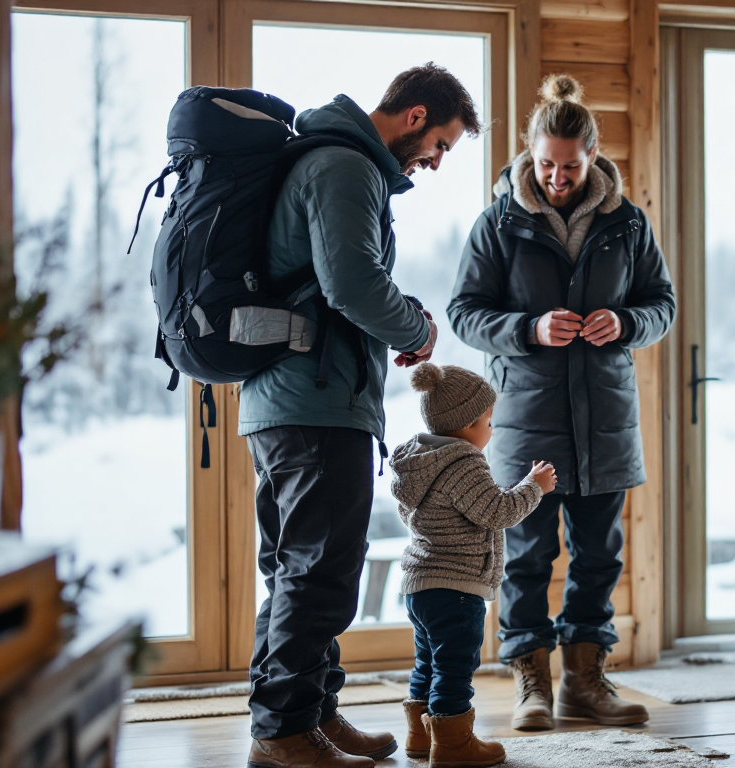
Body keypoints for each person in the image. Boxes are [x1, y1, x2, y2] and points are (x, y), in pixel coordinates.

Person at [240, 64, 481, 768]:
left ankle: (310, 712)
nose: (435, 161)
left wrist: (397, 318)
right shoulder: (346, 165)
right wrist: (416, 329)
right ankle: (284, 731)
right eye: (440, 144)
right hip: (316, 401)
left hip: (287, 398)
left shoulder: (331, 157)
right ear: (415, 117)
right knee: (319, 572)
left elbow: (333, 281)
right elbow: (350, 282)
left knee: (295, 570)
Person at [448, 73, 675, 731]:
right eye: (546, 164)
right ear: (530, 154)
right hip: (527, 422)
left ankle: (585, 683)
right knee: (526, 559)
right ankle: (532, 686)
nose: (556, 176)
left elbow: (661, 305)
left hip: (606, 421)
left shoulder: (628, 224)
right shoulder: (498, 224)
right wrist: (528, 328)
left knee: (599, 559)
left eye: (569, 166)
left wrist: (626, 322)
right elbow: (463, 312)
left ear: (592, 156)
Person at [389, 363, 558, 768]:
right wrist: (534, 487)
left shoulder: (418, 460)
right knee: (455, 666)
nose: (491, 430)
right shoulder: (463, 462)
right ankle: (453, 745)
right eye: (488, 421)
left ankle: (420, 736)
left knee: (428, 662)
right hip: (457, 588)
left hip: (420, 584)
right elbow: (497, 511)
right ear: (467, 425)